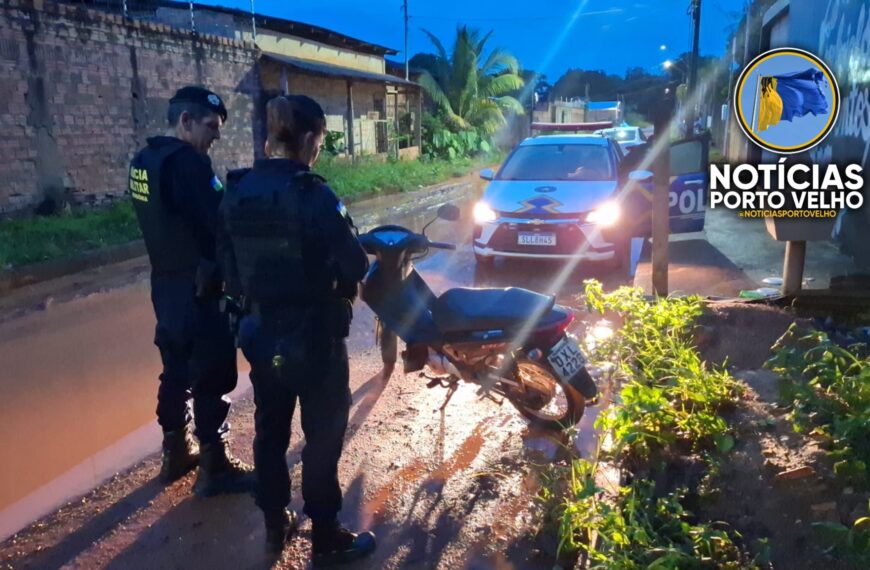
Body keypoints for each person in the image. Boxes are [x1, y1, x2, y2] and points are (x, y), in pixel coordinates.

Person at [217, 95, 375, 565]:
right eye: (321, 142)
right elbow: (355, 263)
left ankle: (274, 524)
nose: (319, 151)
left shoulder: (237, 191)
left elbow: (227, 268)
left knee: (269, 431)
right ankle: (325, 535)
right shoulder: (313, 193)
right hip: (317, 340)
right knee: (322, 437)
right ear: (308, 139)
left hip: (262, 336)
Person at [128, 86, 254, 497]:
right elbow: (220, 224)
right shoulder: (190, 165)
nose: (215, 136)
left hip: (165, 285)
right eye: (211, 127)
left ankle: (176, 450)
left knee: (175, 369)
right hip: (200, 288)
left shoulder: (144, 161)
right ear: (185, 121)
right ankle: (214, 467)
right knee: (211, 375)